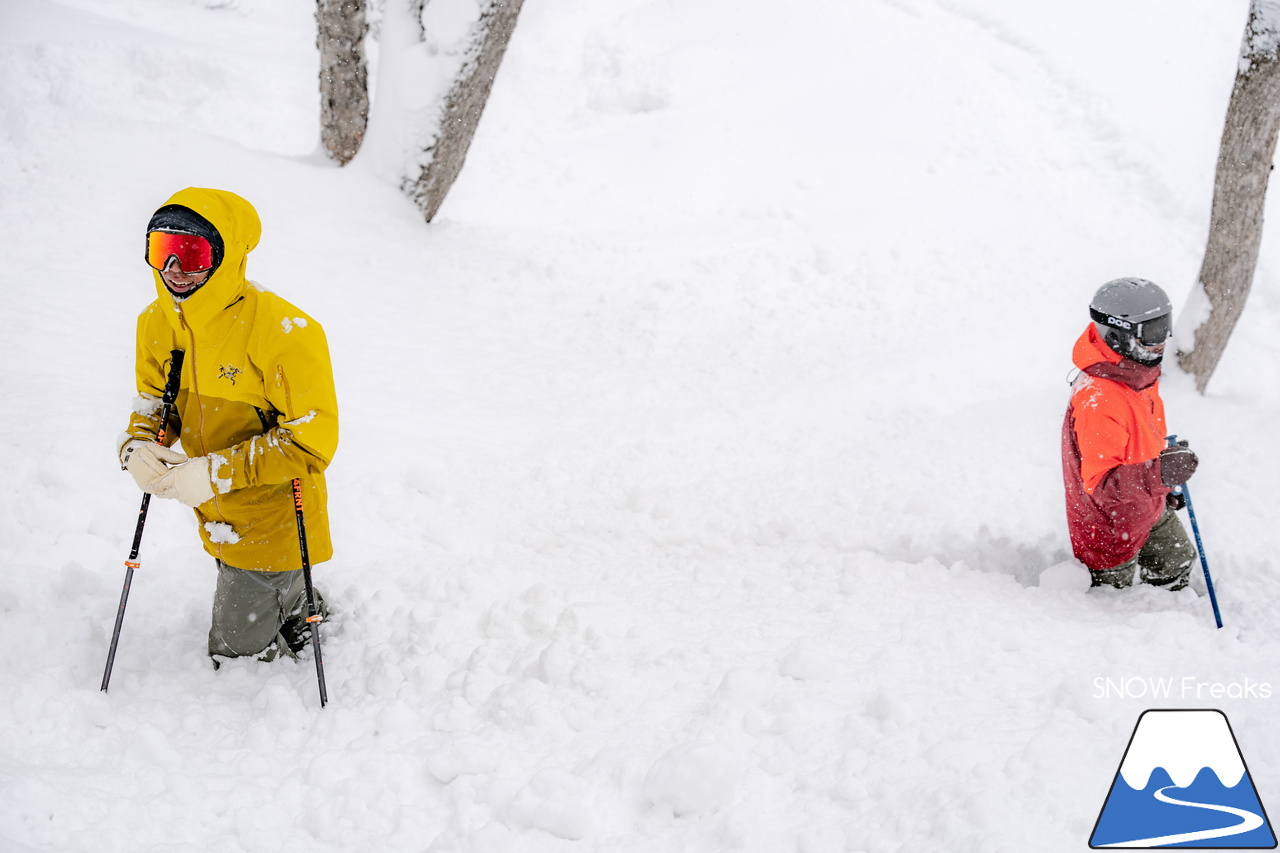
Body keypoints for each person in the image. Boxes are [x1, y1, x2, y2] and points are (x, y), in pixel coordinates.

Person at [117, 187, 339, 662]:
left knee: (233, 655)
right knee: (239, 572)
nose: (174, 269)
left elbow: (312, 441)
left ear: (225, 256)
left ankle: (293, 608)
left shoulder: (284, 332)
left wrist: (216, 472)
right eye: (162, 250)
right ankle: (297, 603)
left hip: (273, 514)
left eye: (191, 254)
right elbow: (157, 401)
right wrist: (137, 444)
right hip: (215, 509)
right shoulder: (156, 324)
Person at [1061, 277, 1199, 590]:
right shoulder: (1099, 399)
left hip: (1144, 504)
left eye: (1165, 325)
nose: (1163, 339)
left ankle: (1175, 620)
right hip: (1110, 525)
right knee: (1113, 603)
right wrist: (1158, 475)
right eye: (1152, 332)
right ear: (1117, 334)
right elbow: (1102, 487)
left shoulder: (1136, 373)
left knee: (1176, 560)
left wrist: (1164, 473)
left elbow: (1138, 439)